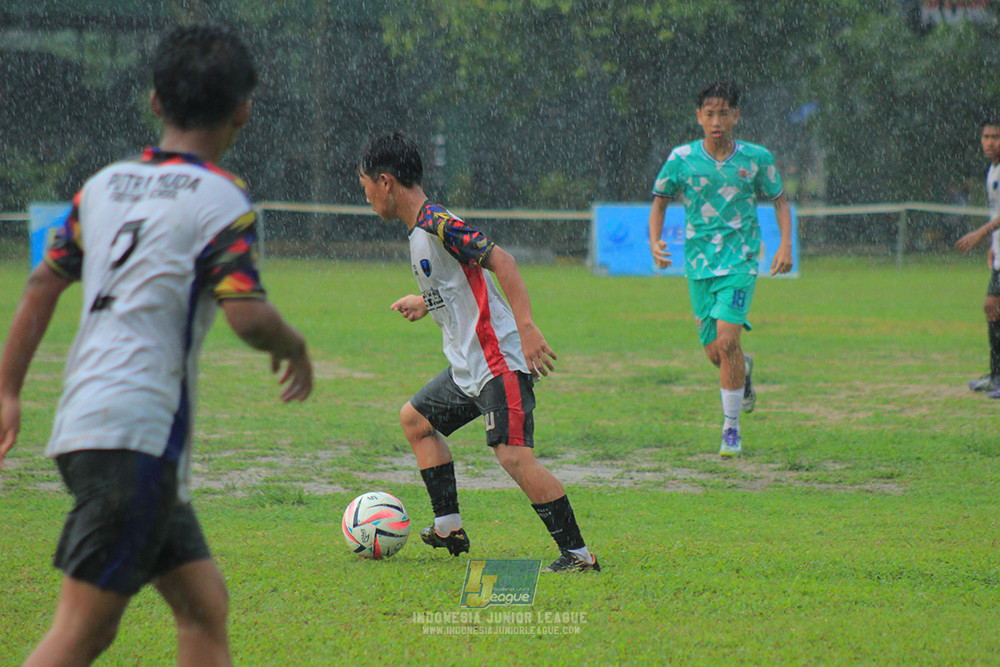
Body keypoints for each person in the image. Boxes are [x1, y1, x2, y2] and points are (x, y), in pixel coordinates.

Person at [0, 22, 312, 666]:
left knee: (204, 605)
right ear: (243, 110)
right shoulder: (222, 198)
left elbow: (41, 284)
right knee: (82, 631)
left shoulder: (103, 186)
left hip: (90, 423)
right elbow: (248, 317)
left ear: (154, 100)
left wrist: (6, 390)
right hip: (137, 435)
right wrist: (295, 344)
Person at [358, 132, 598, 573]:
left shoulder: (436, 222)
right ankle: (448, 525)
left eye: (367, 186)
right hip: (468, 364)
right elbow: (455, 281)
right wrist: (423, 299)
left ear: (386, 182)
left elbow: (501, 261)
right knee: (416, 421)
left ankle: (579, 555)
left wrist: (526, 328)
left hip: (497, 360)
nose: (368, 195)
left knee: (512, 455)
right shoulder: (419, 231)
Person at [648, 80, 793, 458]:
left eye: (723, 113)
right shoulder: (681, 158)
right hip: (698, 265)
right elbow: (660, 201)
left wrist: (785, 245)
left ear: (735, 116)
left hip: (742, 260)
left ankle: (731, 430)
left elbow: (780, 200)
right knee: (718, 354)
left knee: (727, 339)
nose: (717, 120)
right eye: (709, 113)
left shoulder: (756, 158)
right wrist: (655, 242)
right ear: (699, 117)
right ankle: (741, 369)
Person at [955, 117, 1000, 397]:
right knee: (993, 309)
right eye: (985, 137)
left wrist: (981, 233)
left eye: (995, 136)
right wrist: (994, 244)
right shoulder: (992, 170)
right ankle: (996, 374)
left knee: (991, 306)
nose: (989, 142)